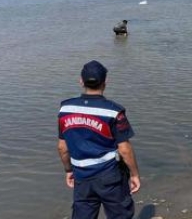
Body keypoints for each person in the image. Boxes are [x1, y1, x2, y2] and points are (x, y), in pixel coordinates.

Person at [57, 60, 141, 219]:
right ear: (105, 82)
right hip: (110, 177)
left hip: (81, 176)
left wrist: (68, 170)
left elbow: (62, 147)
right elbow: (124, 149)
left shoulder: (65, 109)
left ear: (81, 81)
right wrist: (135, 174)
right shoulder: (114, 111)